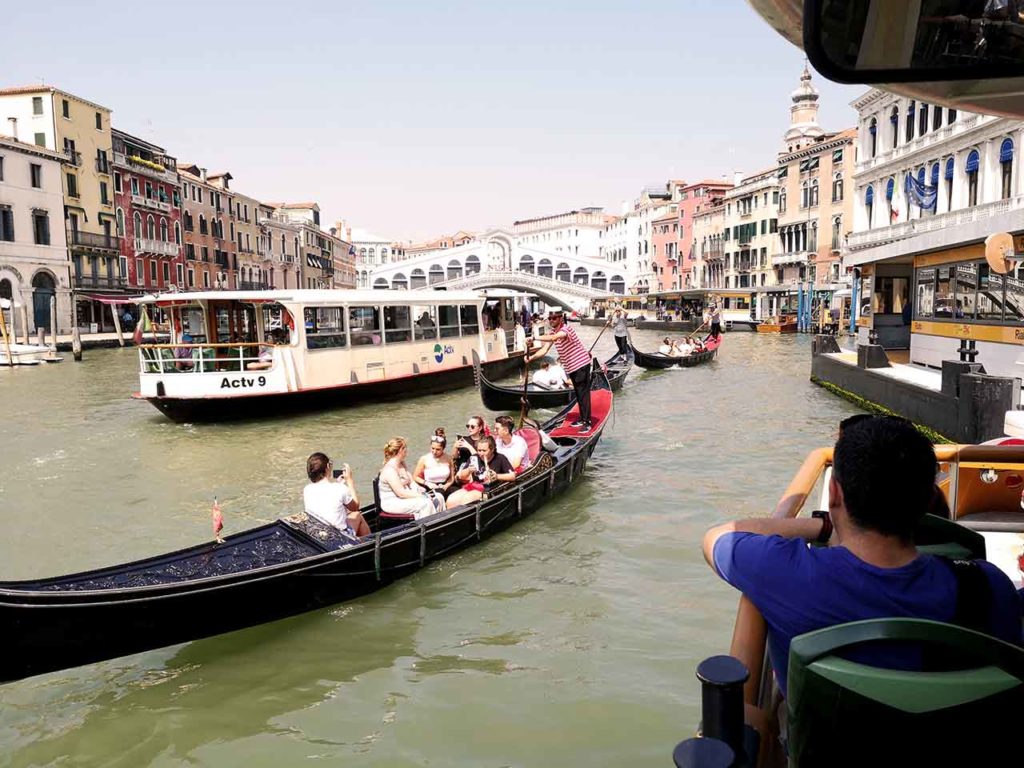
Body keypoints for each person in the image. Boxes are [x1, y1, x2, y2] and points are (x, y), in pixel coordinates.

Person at [703, 416, 1022, 699]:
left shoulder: (786, 574)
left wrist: (824, 525)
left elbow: (716, 538)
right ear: (928, 499)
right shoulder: (989, 587)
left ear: (835, 494)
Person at [527, 311, 594, 433]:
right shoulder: (554, 332)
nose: (551, 320)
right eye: (550, 318)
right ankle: (582, 418)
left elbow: (554, 338)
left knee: (583, 394)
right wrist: (531, 358)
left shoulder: (566, 329)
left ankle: (587, 422)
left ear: (560, 319)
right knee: (578, 393)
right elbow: (544, 350)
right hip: (571, 367)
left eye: (554, 318)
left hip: (581, 364)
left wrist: (534, 337)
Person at [303, 452, 370, 537]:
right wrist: (350, 482)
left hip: (319, 535)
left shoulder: (307, 489)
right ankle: (367, 544)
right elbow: (355, 507)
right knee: (357, 515)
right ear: (327, 467)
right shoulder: (340, 489)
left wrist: (338, 484)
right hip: (338, 536)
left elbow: (325, 497)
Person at [446, 435, 516, 509]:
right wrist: (469, 470)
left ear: (492, 449)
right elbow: (461, 476)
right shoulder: (475, 457)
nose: (481, 453)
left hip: (490, 489)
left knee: (467, 499)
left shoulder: (500, 458)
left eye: (484, 451)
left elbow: (512, 476)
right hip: (474, 486)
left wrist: (497, 476)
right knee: (451, 500)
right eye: (479, 450)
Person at [379, 437, 437, 519]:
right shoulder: (389, 470)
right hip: (392, 502)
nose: (407, 451)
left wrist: (421, 491)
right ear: (400, 450)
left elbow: (411, 482)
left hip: (403, 498)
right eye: (405, 448)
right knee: (425, 503)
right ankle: (426, 528)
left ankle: (438, 522)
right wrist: (421, 496)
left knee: (438, 497)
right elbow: (401, 493)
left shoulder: (401, 463)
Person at [413, 428, 455, 498]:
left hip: (445, 485)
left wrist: (446, 485)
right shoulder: (424, 459)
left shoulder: (449, 458)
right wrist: (427, 483)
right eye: (432, 448)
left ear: (443, 448)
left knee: (457, 493)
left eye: (438, 449)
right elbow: (415, 477)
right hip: (429, 486)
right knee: (440, 493)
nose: (434, 451)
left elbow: (451, 478)